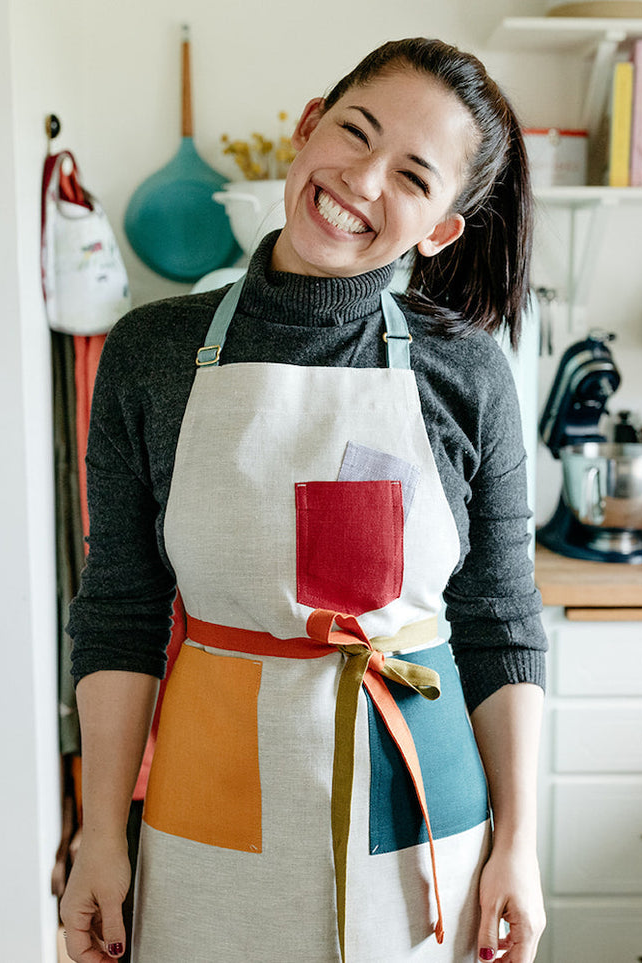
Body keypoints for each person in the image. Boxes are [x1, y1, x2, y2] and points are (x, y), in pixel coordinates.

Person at [60, 36, 547, 963]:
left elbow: (499, 619)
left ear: (441, 226)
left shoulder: (467, 369)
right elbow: (120, 612)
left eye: (412, 174)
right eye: (354, 133)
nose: (362, 180)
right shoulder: (151, 353)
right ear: (306, 126)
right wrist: (98, 837)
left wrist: (518, 845)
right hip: (209, 801)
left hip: (418, 809)